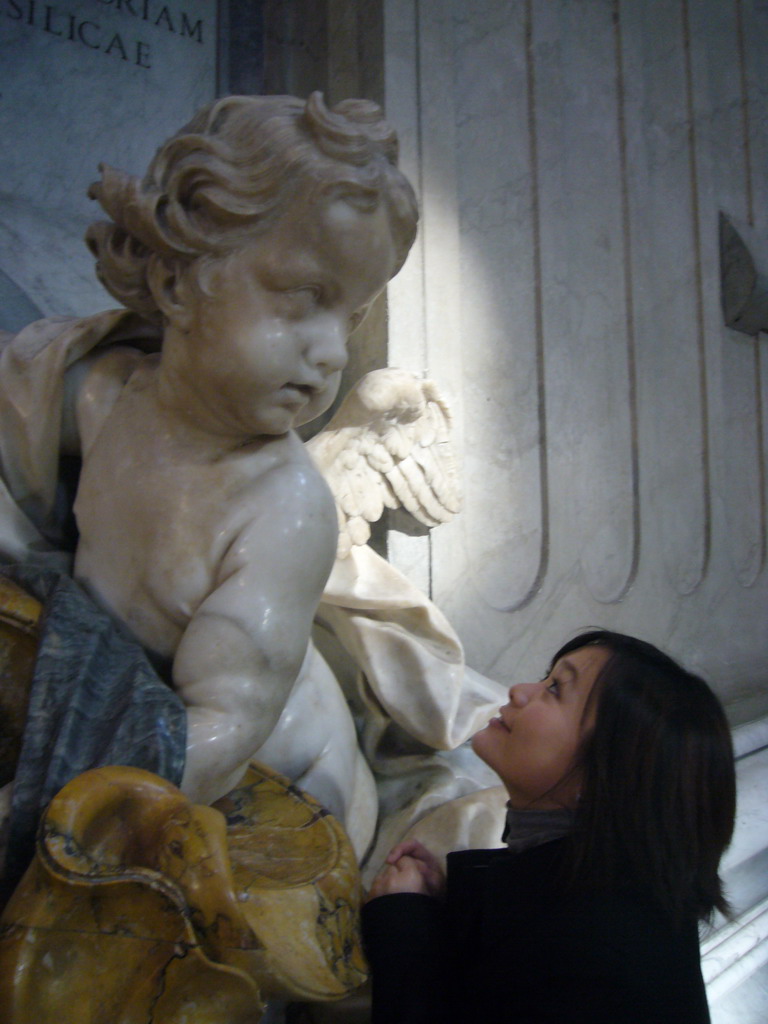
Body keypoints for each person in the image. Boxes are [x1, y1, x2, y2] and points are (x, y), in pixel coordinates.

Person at [67, 92, 418, 818]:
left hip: (279, 789)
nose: (332, 353)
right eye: (303, 296)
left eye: (351, 314)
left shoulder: (283, 508)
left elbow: (224, 729)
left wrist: (48, 810)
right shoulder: (99, 398)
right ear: (174, 283)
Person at [362, 630, 736, 1023]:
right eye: (546, 677)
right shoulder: (615, 890)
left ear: (609, 774)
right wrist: (446, 908)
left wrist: (402, 923)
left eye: (555, 688)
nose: (519, 691)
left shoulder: (596, 958)